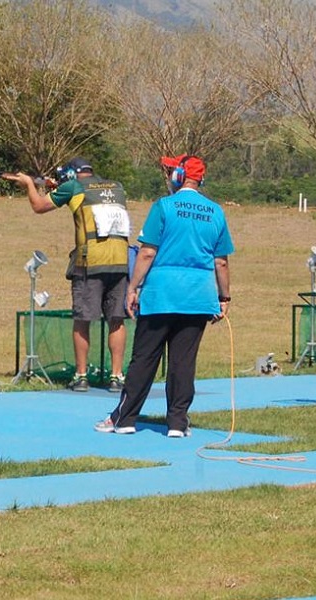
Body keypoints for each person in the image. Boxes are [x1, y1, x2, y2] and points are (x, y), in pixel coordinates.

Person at [94, 154, 233, 438]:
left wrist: (132, 287)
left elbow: (147, 252)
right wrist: (224, 297)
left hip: (161, 294)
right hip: (197, 297)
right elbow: (221, 261)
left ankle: (125, 418)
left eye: (172, 171)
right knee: (183, 362)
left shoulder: (164, 206)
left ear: (179, 176)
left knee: (144, 357)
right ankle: (178, 423)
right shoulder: (216, 212)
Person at [4, 157, 130, 392]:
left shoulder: (73, 187)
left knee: (82, 319)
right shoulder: (116, 187)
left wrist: (29, 184)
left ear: (72, 174)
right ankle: (117, 376)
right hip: (120, 262)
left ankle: (81, 376)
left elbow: (39, 206)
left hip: (90, 262)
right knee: (116, 320)